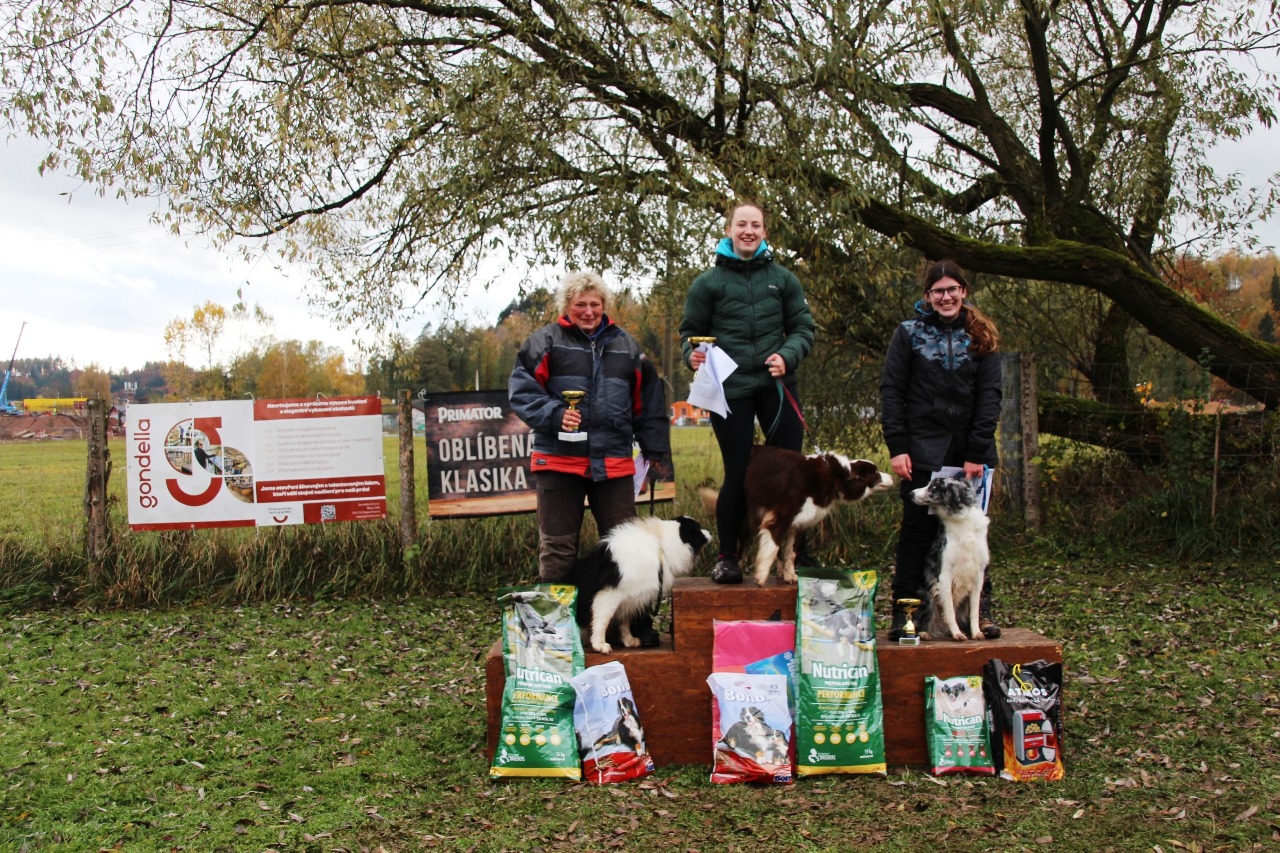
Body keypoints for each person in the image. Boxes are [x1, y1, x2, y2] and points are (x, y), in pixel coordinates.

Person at [509, 270, 673, 607]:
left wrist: (655, 449)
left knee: (626, 547)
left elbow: (648, 403)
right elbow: (522, 392)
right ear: (566, 305)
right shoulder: (543, 342)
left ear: (604, 305)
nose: (588, 311)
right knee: (557, 548)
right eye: (580, 304)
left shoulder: (628, 347)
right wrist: (556, 414)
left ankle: (626, 624)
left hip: (613, 463)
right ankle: (557, 625)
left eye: (594, 304)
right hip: (558, 462)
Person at [679, 200, 816, 584]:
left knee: (793, 473)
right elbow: (690, 333)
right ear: (729, 230)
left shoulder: (783, 279)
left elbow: (804, 328)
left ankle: (795, 555)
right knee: (738, 471)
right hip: (730, 389)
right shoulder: (708, 283)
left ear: (764, 232)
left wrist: (787, 356)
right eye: (741, 224)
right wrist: (692, 354)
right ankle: (728, 556)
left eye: (755, 225)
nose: (748, 231)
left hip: (777, 386)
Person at [879, 259, 1003, 640]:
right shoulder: (908, 334)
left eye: (952, 290)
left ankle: (979, 612)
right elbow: (892, 391)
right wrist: (898, 447)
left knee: (973, 534)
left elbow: (990, 396)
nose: (946, 297)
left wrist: (977, 451)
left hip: (971, 455)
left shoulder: (982, 335)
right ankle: (906, 612)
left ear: (963, 291)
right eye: (938, 291)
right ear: (928, 295)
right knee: (916, 533)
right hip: (921, 451)